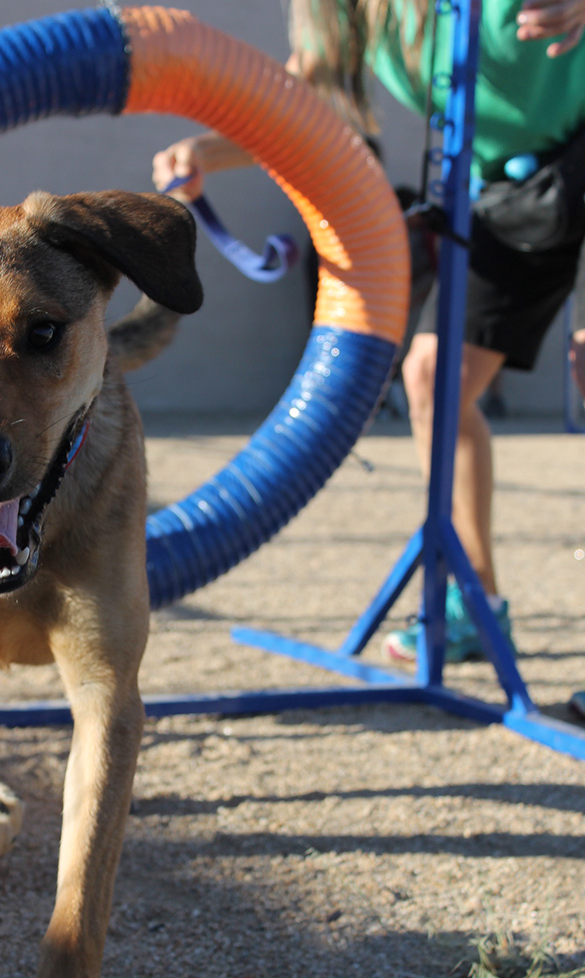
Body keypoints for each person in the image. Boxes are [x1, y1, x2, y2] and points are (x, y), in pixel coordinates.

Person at [152, 0, 585, 664]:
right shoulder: (356, 12)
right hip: (507, 194)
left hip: (570, 167)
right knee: (434, 381)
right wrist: (206, 150)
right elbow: (301, 99)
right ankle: (478, 606)